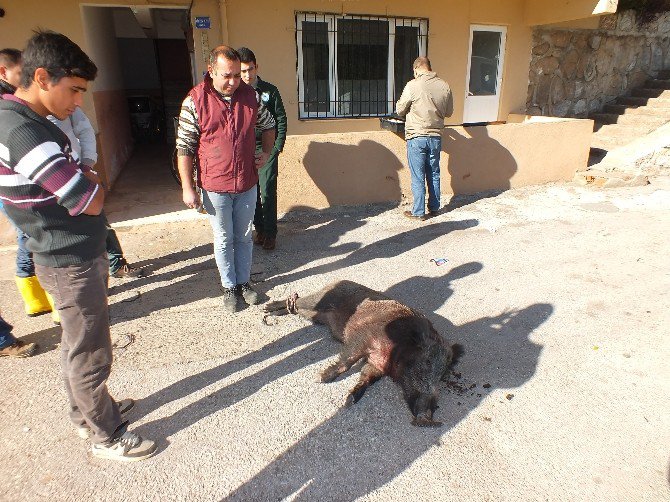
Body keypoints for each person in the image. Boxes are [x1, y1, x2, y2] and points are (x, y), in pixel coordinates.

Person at [0, 31, 155, 461]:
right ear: (43, 77)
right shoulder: (23, 131)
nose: (77, 103)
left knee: (75, 342)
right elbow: (89, 198)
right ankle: (106, 434)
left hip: (64, 253)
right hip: (68, 259)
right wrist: (92, 181)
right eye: (74, 90)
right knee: (90, 348)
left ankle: (87, 413)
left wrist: (84, 181)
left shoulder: (26, 121)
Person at [177, 46, 276, 313]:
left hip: (246, 182)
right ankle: (229, 287)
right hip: (215, 185)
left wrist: (265, 153)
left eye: (236, 75)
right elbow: (184, 146)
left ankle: (244, 283)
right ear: (211, 71)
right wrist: (188, 187)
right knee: (224, 238)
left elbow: (269, 124)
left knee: (243, 237)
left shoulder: (251, 96)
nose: (233, 81)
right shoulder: (195, 100)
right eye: (226, 76)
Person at [48, 108, 145, 279]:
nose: (77, 99)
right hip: (45, 186)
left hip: (77, 177)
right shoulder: (17, 113)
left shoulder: (63, 102)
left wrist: (87, 165)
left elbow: (85, 130)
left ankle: (116, 264)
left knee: (99, 221)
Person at [1, 48, 56, 319]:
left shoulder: (17, 102)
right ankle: (39, 297)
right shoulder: (8, 108)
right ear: (4, 72)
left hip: (28, 181)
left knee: (31, 237)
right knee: (30, 237)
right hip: (17, 186)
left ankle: (42, 298)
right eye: (22, 72)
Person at [237, 47, 287, 251]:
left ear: (257, 67)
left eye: (251, 69)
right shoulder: (237, 93)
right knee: (252, 192)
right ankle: (260, 229)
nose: (248, 75)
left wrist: (276, 148)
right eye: (243, 71)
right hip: (246, 149)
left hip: (266, 147)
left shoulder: (269, 90)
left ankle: (271, 234)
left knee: (267, 191)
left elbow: (281, 119)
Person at [396, 56, 453, 221]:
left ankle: (418, 211)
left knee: (418, 175)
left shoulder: (413, 85)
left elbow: (400, 109)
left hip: (417, 136)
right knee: (434, 172)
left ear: (416, 69)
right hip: (436, 137)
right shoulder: (444, 85)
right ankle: (435, 207)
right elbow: (449, 112)